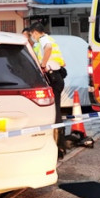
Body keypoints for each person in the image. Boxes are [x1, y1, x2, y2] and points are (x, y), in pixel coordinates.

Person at [29, 22, 68, 158]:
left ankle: (59, 146)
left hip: (53, 77)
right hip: (57, 77)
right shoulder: (50, 39)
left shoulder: (44, 40)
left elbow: (48, 48)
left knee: (56, 113)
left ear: (35, 32)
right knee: (55, 110)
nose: (32, 37)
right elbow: (62, 62)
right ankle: (59, 145)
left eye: (31, 34)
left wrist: (43, 65)